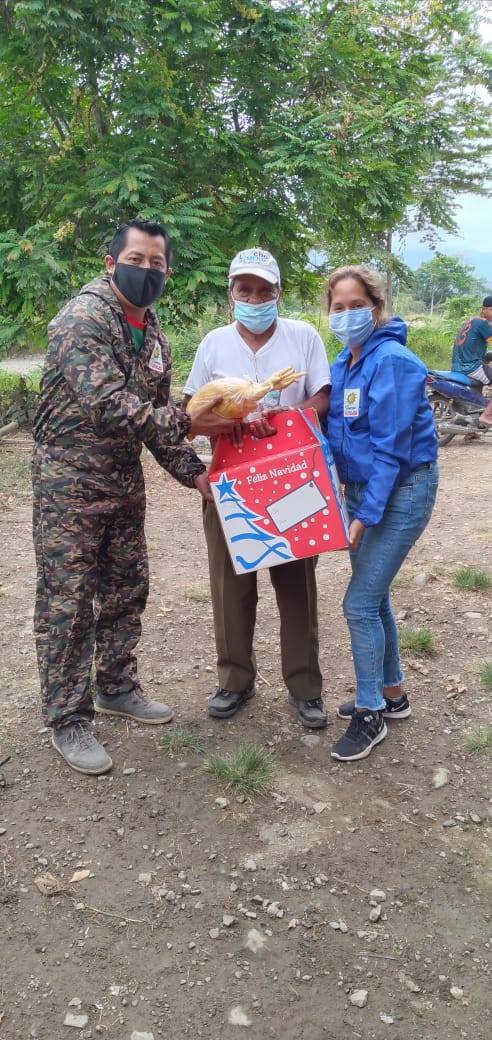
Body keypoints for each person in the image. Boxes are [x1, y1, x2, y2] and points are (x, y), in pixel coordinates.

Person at [33, 218, 235, 776]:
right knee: (69, 602)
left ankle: (116, 687)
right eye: (136, 260)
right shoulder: (82, 319)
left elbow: (156, 425)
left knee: (126, 588)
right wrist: (191, 420)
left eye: (156, 263)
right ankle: (68, 717)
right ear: (111, 263)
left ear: (167, 271)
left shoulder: (155, 336)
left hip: (123, 484)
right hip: (69, 487)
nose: (146, 271)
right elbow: (109, 405)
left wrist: (196, 475)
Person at [183, 247, 331, 728]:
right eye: (244, 290)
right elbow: (191, 413)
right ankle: (235, 681)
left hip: (291, 481)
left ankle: (305, 687)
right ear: (231, 295)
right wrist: (231, 424)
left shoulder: (302, 336)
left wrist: (286, 417)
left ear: (278, 293)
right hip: (229, 481)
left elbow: (322, 396)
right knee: (230, 586)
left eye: (264, 290)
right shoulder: (214, 344)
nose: (254, 298)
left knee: (296, 586)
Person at [326, 265, 439, 762]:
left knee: (358, 603)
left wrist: (364, 515)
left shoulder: (392, 360)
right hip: (361, 489)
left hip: (403, 490)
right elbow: (334, 431)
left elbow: (391, 449)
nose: (347, 314)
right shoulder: (343, 362)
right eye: (338, 307)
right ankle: (392, 695)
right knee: (375, 597)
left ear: (377, 308)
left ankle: (369, 712)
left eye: (357, 306)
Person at [451, 295, 492, 427]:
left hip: (458, 366)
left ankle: (472, 430)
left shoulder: (471, 321)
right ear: (484, 310)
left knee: (478, 392)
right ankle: (487, 416)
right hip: (471, 367)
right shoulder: (483, 323)